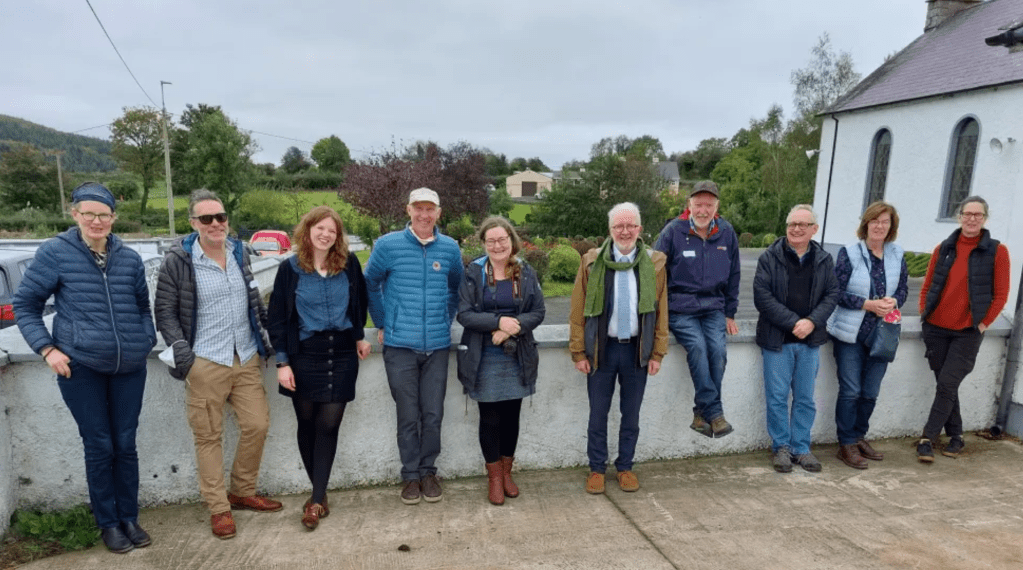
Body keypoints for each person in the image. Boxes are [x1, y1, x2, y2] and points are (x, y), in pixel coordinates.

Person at [13, 182, 157, 553]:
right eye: (89, 213)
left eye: (103, 214)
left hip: (129, 366)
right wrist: (48, 349)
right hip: (81, 367)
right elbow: (25, 305)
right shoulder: (55, 253)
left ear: (114, 217)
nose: (96, 221)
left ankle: (129, 517)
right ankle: (108, 523)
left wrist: (144, 340)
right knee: (99, 445)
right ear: (75, 213)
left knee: (125, 444)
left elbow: (143, 306)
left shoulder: (129, 258)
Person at [154, 189, 281, 540]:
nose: (215, 224)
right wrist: (185, 355)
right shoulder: (178, 261)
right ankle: (219, 508)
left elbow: (254, 300)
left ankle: (242, 491)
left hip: (246, 356)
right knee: (208, 437)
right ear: (193, 223)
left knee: (257, 424)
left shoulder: (239, 252)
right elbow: (164, 311)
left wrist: (268, 338)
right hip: (205, 361)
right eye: (206, 218)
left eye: (220, 217)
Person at [267, 206, 371, 529]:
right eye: (320, 228)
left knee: (328, 424)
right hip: (304, 355)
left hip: (341, 353)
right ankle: (320, 494)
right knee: (307, 422)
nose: (325, 234)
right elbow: (277, 318)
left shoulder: (349, 264)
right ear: (307, 230)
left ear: (338, 236)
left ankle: (314, 501)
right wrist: (282, 362)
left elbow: (360, 302)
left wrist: (359, 336)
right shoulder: (290, 269)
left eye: (332, 230)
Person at [364, 187, 463, 504]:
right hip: (399, 347)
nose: (424, 214)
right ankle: (410, 476)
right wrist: (382, 321)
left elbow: (456, 288)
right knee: (408, 415)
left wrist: (444, 320)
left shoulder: (450, 248)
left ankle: (428, 472)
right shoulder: (388, 245)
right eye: (418, 208)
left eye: (430, 209)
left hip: (437, 347)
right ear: (408, 210)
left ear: (438, 213)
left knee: (432, 414)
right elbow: (370, 282)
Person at [570, 202, 669, 494]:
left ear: (639, 229)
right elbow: (577, 309)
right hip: (602, 350)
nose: (625, 231)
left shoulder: (654, 263)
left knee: (631, 414)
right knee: (597, 414)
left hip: (637, 351)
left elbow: (661, 310)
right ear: (610, 230)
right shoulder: (591, 261)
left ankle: (625, 467)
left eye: (630, 226)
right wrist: (578, 351)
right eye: (618, 226)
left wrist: (657, 352)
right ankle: (596, 469)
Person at [456, 217, 545, 505]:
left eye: (502, 240)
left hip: (517, 355)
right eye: (491, 241)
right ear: (484, 244)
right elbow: (464, 314)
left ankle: (507, 474)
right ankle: (494, 478)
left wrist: (512, 327)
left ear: (511, 241)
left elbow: (538, 311)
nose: (497, 246)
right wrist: (497, 323)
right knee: (490, 418)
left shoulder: (525, 271)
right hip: (483, 356)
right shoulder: (474, 272)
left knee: (511, 418)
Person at [916, 196, 1010, 463]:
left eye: (977, 215)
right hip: (936, 328)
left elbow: (1001, 295)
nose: (972, 219)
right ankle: (956, 436)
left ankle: (927, 438)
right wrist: (924, 313)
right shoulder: (944, 248)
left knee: (947, 383)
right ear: (959, 217)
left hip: (967, 331)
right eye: (967, 214)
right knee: (947, 386)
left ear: (985, 219)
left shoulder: (997, 251)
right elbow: (928, 285)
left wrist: (982, 324)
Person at [753, 205, 838, 473]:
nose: (796, 229)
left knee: (804, 398)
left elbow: (832, 294)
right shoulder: (769, 257)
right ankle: (781, 447)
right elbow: (762, 296)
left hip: (810, 342)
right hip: (777, 340)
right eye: (792, 224)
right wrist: (793, 322)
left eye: (803, 224)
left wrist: (811, 322)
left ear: (814, 229)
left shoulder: (824, 259)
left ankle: (801, 448)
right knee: (777, 397)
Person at [655, 180, 740, 438]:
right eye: (698, 204)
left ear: (717, 206)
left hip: (714, 307)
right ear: (689, 205)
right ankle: (715, 413)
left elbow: (734, 274)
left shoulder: (726, 232)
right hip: (680, 307)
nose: (703, 210)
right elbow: (654, 272)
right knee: (698, 347)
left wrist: (730, 312)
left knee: (718, 352)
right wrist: (657, 313)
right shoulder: (673, 231)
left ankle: (701, 414)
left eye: (709, 205)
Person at [826, 202, 908, 469]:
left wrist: (894, 301)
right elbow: (835, 291)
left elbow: (903, 289)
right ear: (866, 224)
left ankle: (859, 436)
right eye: (875, 221)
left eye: (885, 222)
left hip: (882, 334)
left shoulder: (897, 254)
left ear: (891, 226)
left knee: (870, 392)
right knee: (851, 391)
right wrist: (867, 304)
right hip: (850, 334)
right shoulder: (849, 253)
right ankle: (846, 444)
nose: (879, 226)